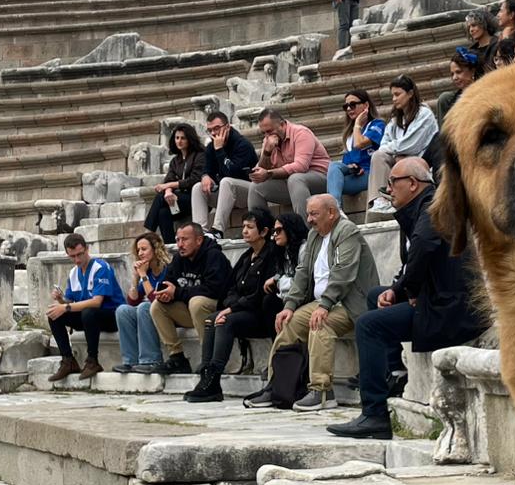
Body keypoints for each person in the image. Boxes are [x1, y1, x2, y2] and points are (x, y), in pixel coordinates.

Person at [327, 158, 483, 439]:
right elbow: (417, 257)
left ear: (413, 184)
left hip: (450, 310)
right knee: (377, 296)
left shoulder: (432, 207)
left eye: (392, 182)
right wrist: (399, 290)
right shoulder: (421, 207)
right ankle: (395, 372)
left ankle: (374, 414)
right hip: (439, 299)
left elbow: (424, 246)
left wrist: (409, 290)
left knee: (368, 325)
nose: (388, 189)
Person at [244, 194, 378, 412]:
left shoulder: (347, 231)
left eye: (314, 214)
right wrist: (289, 306)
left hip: (350, 303)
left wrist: (324, 306)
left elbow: (343, 273)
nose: (309, 219)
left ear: (331, 213)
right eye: (308, 214)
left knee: (320, 325)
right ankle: (276, 386)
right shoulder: (315, 235)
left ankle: (322, 391)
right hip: (324, 302)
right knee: (288, 324)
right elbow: (303, 273)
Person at [185, 208, 283, 402]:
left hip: (261, 314)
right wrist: (230, 305)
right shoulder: (247, 257)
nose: (244, 231)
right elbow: (231, 288)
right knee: (211, 319)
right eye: (244, 226)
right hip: (242, 310)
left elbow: (261, 294)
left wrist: (231, 308)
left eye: (250, 227)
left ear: (263, 231)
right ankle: (206, 375)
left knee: (224, 321)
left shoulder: (272, 255)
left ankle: (214, 380)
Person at [143, 223, 232, 376]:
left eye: (185, 240)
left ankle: (208, 358)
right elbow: (169, 284)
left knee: (197, 302)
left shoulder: (214, 256)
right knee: (157, 306)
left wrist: (176, 292)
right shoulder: (179, 259)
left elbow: (214, 289)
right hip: (193, 312)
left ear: (199, 240)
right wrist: (165, 295)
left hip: (219, 310)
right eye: (177, 240)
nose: (180, 244)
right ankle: (177, 357)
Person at [224, 107, 330, 218]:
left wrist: (269, 173)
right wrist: (266, 153)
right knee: (256, 186)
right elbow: (261, 169)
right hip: (291, 184)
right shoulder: (269, 140)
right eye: (264, 133)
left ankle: (304, 230)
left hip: (320, 178)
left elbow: (301, 166)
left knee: (296, 178)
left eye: (270, 131)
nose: (267, 136)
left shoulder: (301, 133)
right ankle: (260, 230)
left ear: (282, 125)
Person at [47, 233, 122, 382]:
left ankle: (92, 360)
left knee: (88, 312)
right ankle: (68, 360)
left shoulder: (100, 267)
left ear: (87, 249)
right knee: (54, 314)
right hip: (88, 317)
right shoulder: (74, 272)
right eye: (72, 256)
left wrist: (66, 306)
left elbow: (97, 302)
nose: (77, 260)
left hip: (112, 316)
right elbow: (70, 302)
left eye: (80, 254)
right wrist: (61, 300)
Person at [366, 75, 440, 207]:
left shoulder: (424, 114)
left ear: (410, 93)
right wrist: (395, 154)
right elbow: (384, 142)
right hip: (399, 159)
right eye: (392, 95)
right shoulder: (396, 118)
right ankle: (379, 200)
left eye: (397, 94)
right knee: (379, 156)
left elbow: (410, 144)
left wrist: (395, 153)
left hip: (422, 161)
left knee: (396, 157)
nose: (394, 99)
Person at [195, 109, 258, 238]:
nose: (213, 133)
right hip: (226, 195)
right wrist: (205, 176)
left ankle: (218, 230)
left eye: (217, 128)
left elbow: (233, 173)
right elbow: (207, 169)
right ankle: (199, 232)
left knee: (227, 181)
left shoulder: (243, 145)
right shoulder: (211, 147)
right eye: (210, 130)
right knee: (197, 188)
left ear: (228, 127)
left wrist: (219, 150)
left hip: (249, 192)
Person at [113, 231, 168, 374]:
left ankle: (151, 360)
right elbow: (132, 302)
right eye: (138, 250)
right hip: (151, 310)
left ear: (155, 250)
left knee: (145, 307)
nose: (140, 253)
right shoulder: (146, 271)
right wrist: (136, 277)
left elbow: (156, 300)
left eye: (144, 249)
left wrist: (143, 276)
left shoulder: (167, 269)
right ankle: (130, 361)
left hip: (167, 311)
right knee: (123, 310)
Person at [143, 123, 206, 244]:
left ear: (190, 139)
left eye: (183, 138)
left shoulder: (200, 156)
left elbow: (194, 180)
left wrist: (167, 187)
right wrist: (167, 191)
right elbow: (168, 179)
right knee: (163, 213)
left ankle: (148, 233)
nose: (179, 141)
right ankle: (171, 246)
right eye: (177, 138)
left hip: (196, 199)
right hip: (178, 201)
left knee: (160, 197)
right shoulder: (175, 160)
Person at [326, 88, 386, 205]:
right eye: (346, 106)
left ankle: (335, 210)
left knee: (333, 185)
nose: (348, 109)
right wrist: (351, 165)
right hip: (356, 175)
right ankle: (336, 208)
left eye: (353, 105)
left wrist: (357, 124)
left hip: (371, 175)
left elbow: (360, 144)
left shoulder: (378, 124)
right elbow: (346, 162)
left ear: (366, 105)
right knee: (334, 167)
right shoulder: (349, 134)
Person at [436, 47, 481, 121]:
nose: (454, 78)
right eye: (452, 74)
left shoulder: (484, 94)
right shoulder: (449, 100)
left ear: (472, 71)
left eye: (458, 72)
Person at [463, 9, 500, 73]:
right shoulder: (471, 50)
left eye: (474, 25)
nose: (471, 30)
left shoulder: (498, 44)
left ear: (484, 24)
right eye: (469, 27)